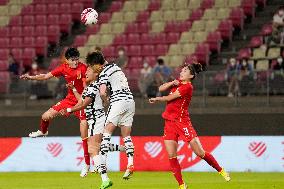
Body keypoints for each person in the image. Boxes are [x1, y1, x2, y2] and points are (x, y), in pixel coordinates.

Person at [148, 63, 230, 189]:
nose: (182, 71)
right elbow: (160, 88)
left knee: (199, 152)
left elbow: (170, 97)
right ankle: (182, 185)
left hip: (182, 122)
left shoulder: (188, 87)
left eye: (185, 70)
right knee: (172, 156)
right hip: (169, 122)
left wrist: (157, 99)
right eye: (182, 70)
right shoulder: (178, 83)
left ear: (191, 75)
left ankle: (221, 170)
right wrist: (171, 83)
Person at [20, 47, 91, 177]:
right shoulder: (63, 68)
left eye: (77, 59)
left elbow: (86, 89)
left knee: (84, 135)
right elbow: (46, 76)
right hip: (69, 99)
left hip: (81, 101)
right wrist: (30, 77)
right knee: (45, 116)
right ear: (67, 60)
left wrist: (83, 100)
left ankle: (86, 164)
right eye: (72, 60)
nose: (75, 62)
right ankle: (43, 131)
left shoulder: (83, 68)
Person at [60, 63, 126, 182]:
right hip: (96, 119)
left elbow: (84, 104)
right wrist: (74, 89)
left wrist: (69, 109)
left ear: (96, 74)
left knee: (92, 149)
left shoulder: (93, 87)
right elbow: (81, 100)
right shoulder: (91, 87)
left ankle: (105, 179)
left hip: (96, 120)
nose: (86, 72)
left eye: (88, 71)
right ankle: (124, 148)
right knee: (98, 147)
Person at [86, 51, 135, 189]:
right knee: (126, 135)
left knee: (106, 133)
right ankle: (130, 163)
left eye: (91, 66)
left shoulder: (103, 72)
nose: (91, 69)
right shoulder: (116, 67)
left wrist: (106, 100)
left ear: (97, 64)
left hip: (118, 101)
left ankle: (103, 166)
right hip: (130, 101)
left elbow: (102, 92)